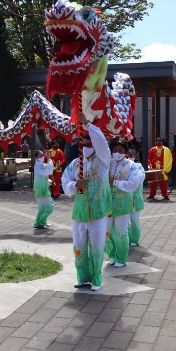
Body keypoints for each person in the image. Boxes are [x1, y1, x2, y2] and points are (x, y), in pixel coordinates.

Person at [61, 113, 111, 291]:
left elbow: (102, 144)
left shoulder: (103, 160)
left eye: (90, 140)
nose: (88, 143)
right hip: (80, 212)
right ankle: (81, 276)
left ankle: (96, 279)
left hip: (98, 210)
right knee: (79, 246)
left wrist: (87, 124)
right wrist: (75, 184)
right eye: (84, 140)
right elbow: (64, 181)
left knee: (97, 247)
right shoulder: (76, 163)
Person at [105, 141, 139, 267]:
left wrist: (115, 183)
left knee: (121, 232)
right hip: (107, 203)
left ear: (125, 152)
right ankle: (112, 254)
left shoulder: (131, 165)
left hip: (123, 203)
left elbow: (133, 184)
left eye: (120, 150)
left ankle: (121, 257)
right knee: (107, 231)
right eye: (115, 150)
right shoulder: (107, 163)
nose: (117, 153)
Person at [127, 147, 145, 247]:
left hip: (135, 199)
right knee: (123, 221)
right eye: (127, 156)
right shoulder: (120, 166)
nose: (129, 158)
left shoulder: (138, 166)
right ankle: (125, 238)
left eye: (131, 156)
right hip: (123, 200)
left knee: (134, 219)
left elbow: (141, 178)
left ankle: (134, 238)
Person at [32, 149, 54, 229]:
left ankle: (38, 222)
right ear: (37, 157)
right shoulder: (39, 165)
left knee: (42, 208)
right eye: (41, 155)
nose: (42, 157)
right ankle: (41, 221)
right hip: (42, 189)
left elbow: (45, 172)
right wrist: (48, 159)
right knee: (50, 207)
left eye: (42, 155)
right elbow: (49, 169)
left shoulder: (38, 164)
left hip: (40, 188)